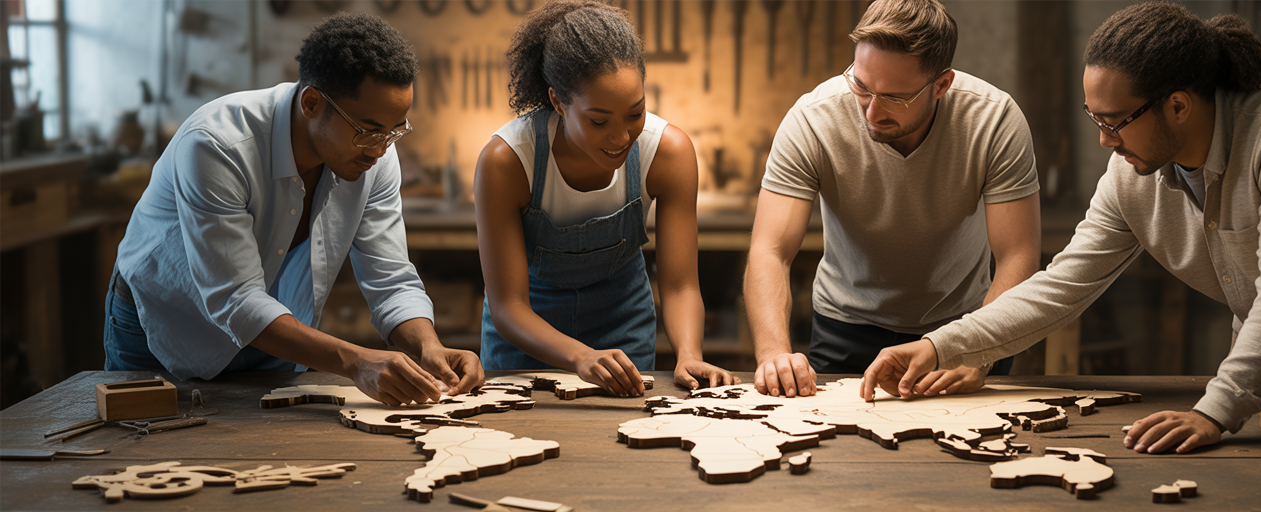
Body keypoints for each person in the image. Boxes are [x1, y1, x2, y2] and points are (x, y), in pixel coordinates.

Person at [861, 1, 1261, 455]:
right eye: (1094, 118)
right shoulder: (1131, 174)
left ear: (1177, 106)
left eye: (1114, 121)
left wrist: (1215, 410)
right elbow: (1061, 287)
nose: (1105, 140)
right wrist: (940, 346)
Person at [106, 13, 483, 406]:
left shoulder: (375, 156)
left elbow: (390, 278)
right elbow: (236, 299)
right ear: (312, 103)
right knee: (142, 437)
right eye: (368, 131)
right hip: (165, 325)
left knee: (273, 441)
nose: (380, 149)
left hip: (277, 333)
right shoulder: (217, 145)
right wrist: (355, 361)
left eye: (395, 130)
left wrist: (428, 347)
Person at [747, 0, 1042, 398]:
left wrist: (977, 349)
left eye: (895, 98)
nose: (871, 112)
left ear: (941, 85)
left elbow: (1018, 255)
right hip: (845, 325)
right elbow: (770, 250)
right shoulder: (813, 120)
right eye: (861, 87)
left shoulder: (994, 121)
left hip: (965, 327)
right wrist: (772, 353)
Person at [476, 1, 736, 395]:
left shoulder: (668, 153)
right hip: (526, 338)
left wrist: (688, 353)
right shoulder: (508, 161)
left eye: (635, 113)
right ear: (558, 103)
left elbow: (681, 285)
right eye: (599, 121)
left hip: (622, 328)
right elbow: (508, 306)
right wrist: (580, 355)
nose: (621, 137)